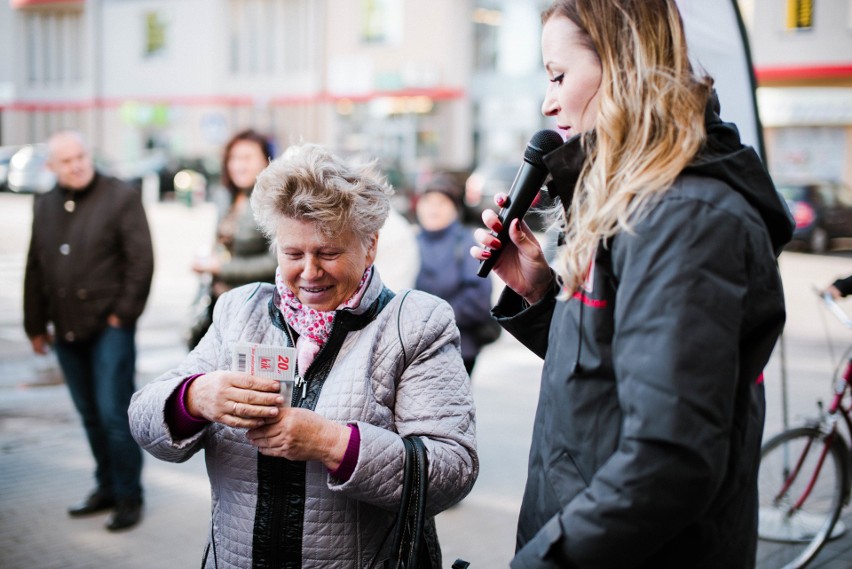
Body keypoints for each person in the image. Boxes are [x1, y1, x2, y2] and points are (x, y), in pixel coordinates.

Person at [471, 1, 794, 567]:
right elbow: (614, 382)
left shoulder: (687, 218)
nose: (548, 102)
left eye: (558, 75)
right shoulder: (631, 205)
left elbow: (669, 459)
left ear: (621, 63)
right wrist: (540, 294)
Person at [129, 142, 477, 568]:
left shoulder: (415, 324)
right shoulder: (240, 310)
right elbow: (143, 417)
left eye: (328, 253)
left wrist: (330, 443)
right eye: (293, 254)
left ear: (369, 246)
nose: (309, 272)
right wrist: (195, 397)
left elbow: (452, 469)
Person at [23, 129, 154, 531]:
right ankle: (106, 487)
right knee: (90, 416)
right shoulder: (44, 204)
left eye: (81, 155)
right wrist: (34, 324)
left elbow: (142, 261)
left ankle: (130, 496)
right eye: (67, 160)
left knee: (114, 413)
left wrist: (123, 316)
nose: (77, 164)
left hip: (109, 326)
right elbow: (36, 266)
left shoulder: (120, 196)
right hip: (65, 329)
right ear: (51, 167)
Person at [187, 129, 278, 349]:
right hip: (221, 302)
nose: (239, 165)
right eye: (233, 158)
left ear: (266, 161)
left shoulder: (274, 200)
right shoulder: (225, 195)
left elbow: (276, 262)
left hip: (257, 307)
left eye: (247, 158)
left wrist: (221, 267)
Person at [414, 174, 494, 374]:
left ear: (455, 208)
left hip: (457, 350)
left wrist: (432, 323)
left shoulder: (466, 243)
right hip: (414, 350)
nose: (433, 209)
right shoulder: (409, 243)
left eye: (441, 202)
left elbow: (478, 299)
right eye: (428, 202)